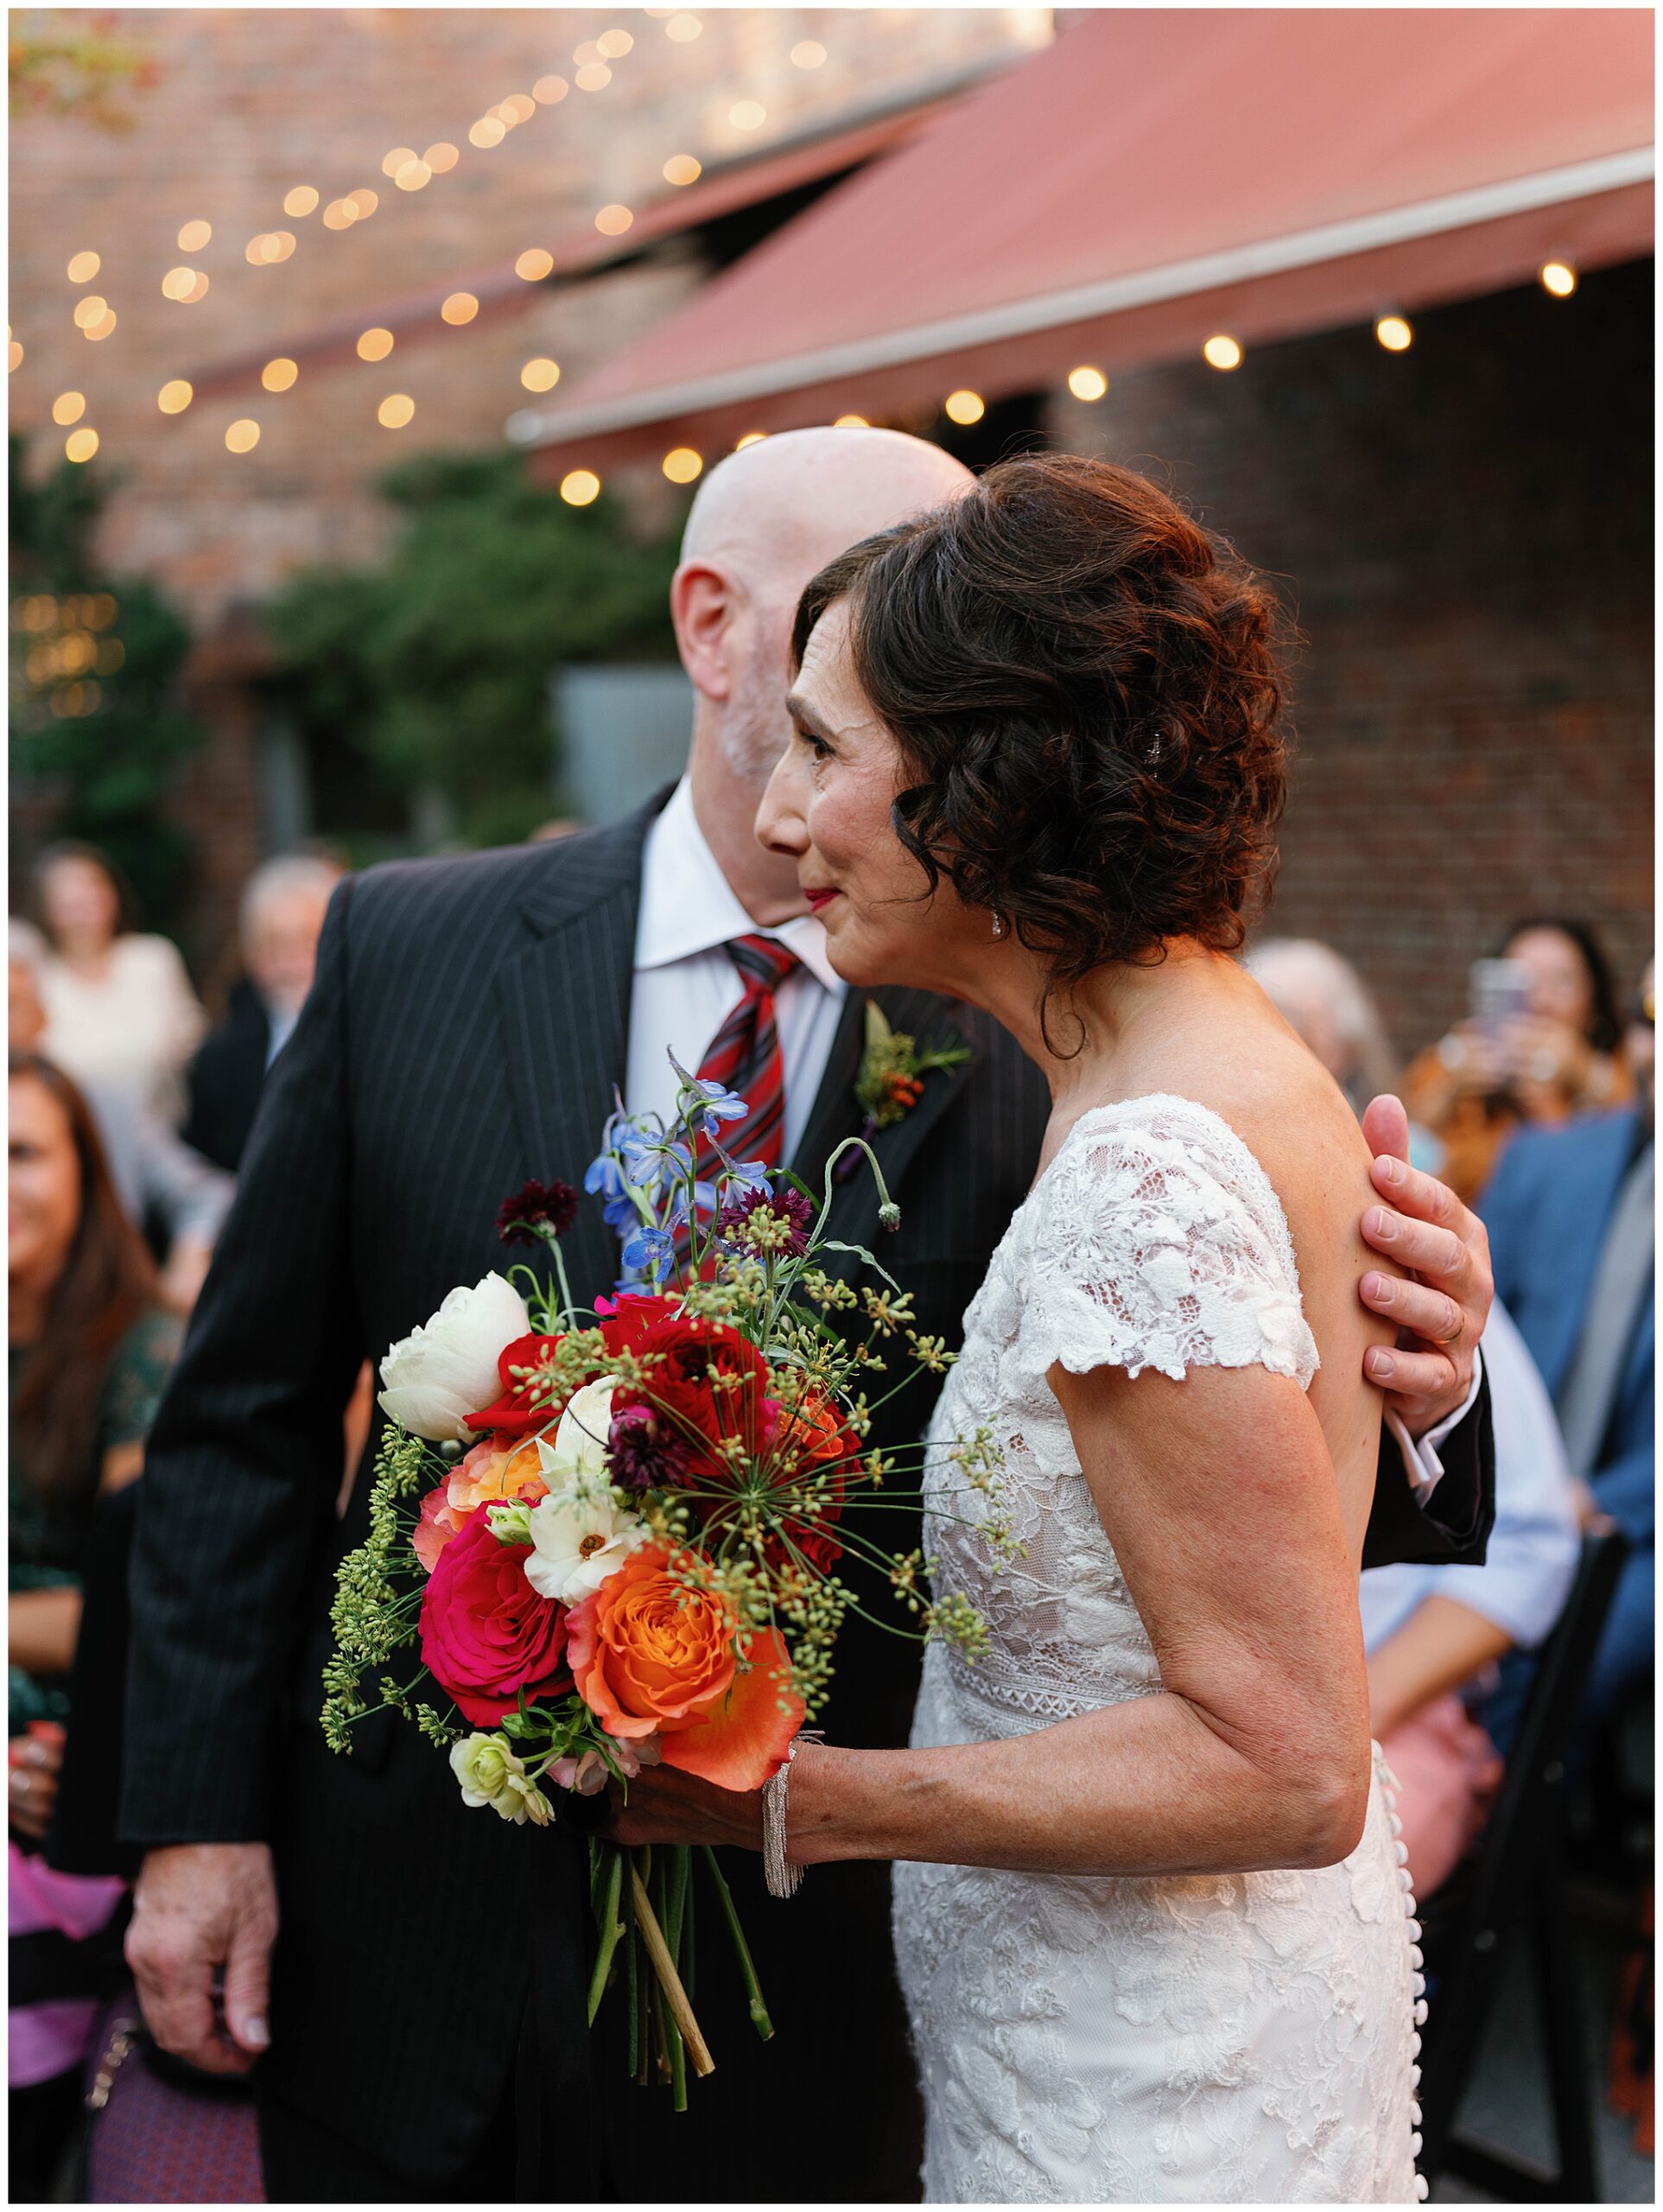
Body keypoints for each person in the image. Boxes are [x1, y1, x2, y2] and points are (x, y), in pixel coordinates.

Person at [120, 432, 1495, 2204]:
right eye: (820, 684)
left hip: (861, 2002)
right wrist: (190, 1821)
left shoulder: (1084, 1056)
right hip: (414, 1940)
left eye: (848, 739)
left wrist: (1416, 1384)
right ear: (714, 630)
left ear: (983, 756)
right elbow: (240, 1410)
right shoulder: (407, 948)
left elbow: (1226, 1555)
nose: (793, 807)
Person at [1248, 937, 1581, 1897]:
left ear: (1338, 1062)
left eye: (1286, 1031)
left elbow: (1528, 1538)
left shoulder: (1401, 1242)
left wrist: (1354, 1714)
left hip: (1382, 1711)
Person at [10, 1052, 181, 2201]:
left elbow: (138, 1604)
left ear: (89, 1172)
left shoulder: (142, 1347)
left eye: (23, 1153)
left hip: (63, 1780)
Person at [1477, 956, 1653, 1732]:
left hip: (1636, 1523)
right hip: (1509, 1491)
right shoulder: (1544, 1160)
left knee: (1562, 1663)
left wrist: (1596, 1501)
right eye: (1649, 1022)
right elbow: (1470, 1336)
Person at [11, 922, 232, 1313]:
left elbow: (204, 1194)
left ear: (43, 1014)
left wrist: (189, 1258)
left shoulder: (108, 1106)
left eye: (11, 1005)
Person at [1406, 916, 1632, 1201]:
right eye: (1522, 981)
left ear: (1594, 998)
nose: (1541, 1000)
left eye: (1562, 981)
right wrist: (1451, 1090)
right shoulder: (1455, 1059)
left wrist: (1584, 1074)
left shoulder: (1624, 1065)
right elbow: (1398, 1142)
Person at [182, 854, 344, 1173]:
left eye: (305, 942)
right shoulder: (218, 1059)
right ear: (250, 954)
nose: (289, 963)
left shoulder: (376, 1041)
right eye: (272, 945)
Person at [31, 843, 206, 1128]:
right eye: (70, 903)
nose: (85, 911)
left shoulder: (153, 961)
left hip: (165, 1131)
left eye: (93, 895)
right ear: (46, 910)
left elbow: (193, 1045)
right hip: (78, 1137)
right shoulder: (37, 978)